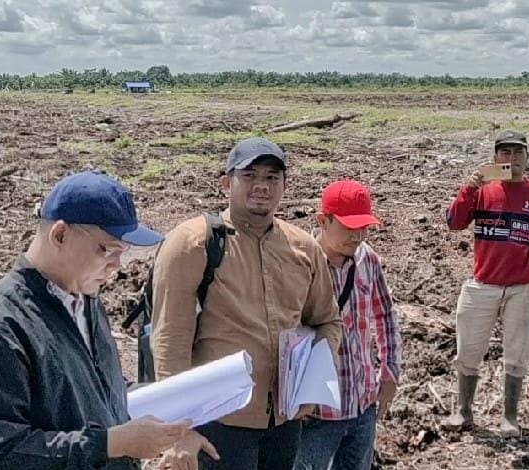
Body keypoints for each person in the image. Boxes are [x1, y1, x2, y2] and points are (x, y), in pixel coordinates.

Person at [0, 171, 206, 469]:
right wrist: (113, 443)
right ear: (59, 235)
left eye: (123, 252)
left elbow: (98, 392)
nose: (116, 265)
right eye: (107, 250)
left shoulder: (86, 298)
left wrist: (170, 420)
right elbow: (0, 452)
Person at [151, 137, 343, 470]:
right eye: (250, 175)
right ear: (226, 182)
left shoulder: (304, 248)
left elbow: (327, 320)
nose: (262, 186)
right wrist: (178, 430)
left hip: (284, 422)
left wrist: (313, 385)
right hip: (217, 424)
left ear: (285, 184)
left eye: (272, 177)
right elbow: (170, 341)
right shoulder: (192, 244)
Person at [442, 129, 529, 437]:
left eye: (517, 153)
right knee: (468, 351)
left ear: (527, 158)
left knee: (517, 353)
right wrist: (468, 189)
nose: (511, 159)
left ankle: (510, 417)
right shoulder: (484, 191)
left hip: (522, 288)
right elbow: (453, 223)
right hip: (482, 283)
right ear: (495, 157)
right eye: (504, 153)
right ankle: (463, 411)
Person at [294, 180, 403, 470]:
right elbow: (284, 334)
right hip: (317, 413)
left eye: (363, 228)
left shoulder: (368, 259)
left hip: (363, 403)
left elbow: (385, 315)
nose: (357, 236)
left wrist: (390, 371)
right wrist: (294, 396)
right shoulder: (300, 264)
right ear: (323, 221)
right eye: (348, 227)